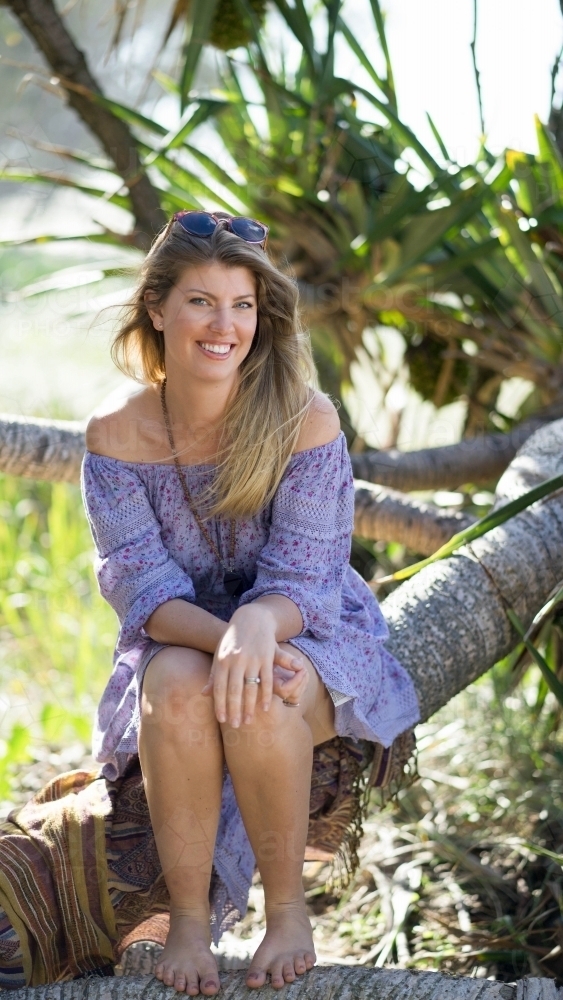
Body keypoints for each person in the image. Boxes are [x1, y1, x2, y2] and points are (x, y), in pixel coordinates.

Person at [81, 210, 420, 997]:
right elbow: (138, 585)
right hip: (180, 630)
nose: (223, 325)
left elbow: (305, 575)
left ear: (261, 316)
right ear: (156, 309)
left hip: (305, 623)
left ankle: (288, 912)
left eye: (241, 304)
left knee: (268, 695)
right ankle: (190, 922)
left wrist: (258, 630)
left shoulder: (305, 418)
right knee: (173, 684)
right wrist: (227, 637)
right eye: (200, 301)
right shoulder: (113, 432)